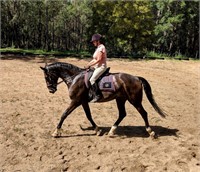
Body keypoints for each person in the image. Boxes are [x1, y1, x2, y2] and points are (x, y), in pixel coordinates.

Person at [85, 33, 107, 102]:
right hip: (96, 66)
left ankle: (97, 95)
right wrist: (88, 64)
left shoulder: (101, 48)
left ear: (98, 41)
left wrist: (90, 65)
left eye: (94, 41)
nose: (93, 43)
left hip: (101, 67)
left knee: (92, 80)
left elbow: (99, 60)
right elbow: (94, 59)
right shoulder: (98, 48)